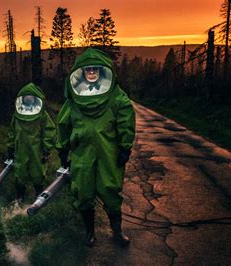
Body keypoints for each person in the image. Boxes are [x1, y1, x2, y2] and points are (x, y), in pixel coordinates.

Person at [57, 48, 136, 247]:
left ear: (102, 72)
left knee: (110, 190)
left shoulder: (116, 96)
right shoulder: (74, 100)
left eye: (95, 69)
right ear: (81, 72)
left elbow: (126, 120)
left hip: (108, 153)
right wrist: (63, 150)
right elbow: (63, 125)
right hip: (82, 153)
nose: (91, 72)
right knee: (83, 193)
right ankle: (89, 232)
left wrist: (125, 147)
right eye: (87, 69)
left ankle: (117, 232)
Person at [7, 83, 56, 206]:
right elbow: (12, 132)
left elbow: (49, 131)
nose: (28, 99)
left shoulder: (42, 115)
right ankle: (19, 199)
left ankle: (39, 199)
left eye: (31, 97)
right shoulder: (17, 115)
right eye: (26, 97)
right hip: (20, 149)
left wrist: (46, 149)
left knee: (38, 173)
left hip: (37, 149)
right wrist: (10, 147)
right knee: (20, 172)